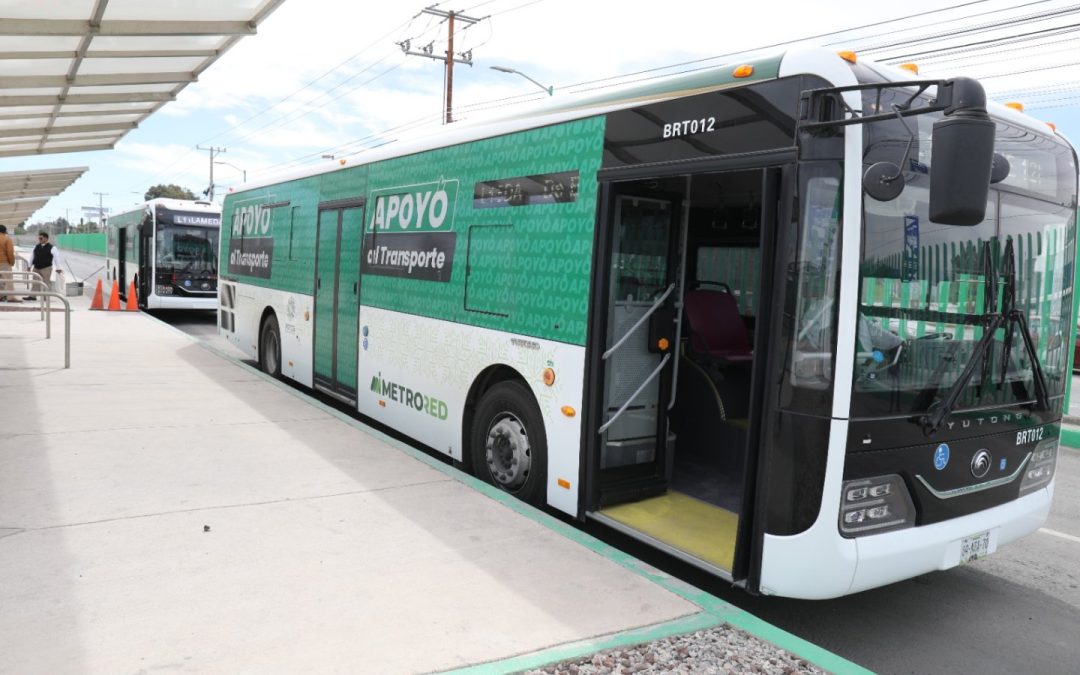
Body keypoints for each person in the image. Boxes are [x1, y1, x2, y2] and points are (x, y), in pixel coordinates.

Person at [26, 231, 63, 299]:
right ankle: (32, 296)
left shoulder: (52, 248)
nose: (39, 240)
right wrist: (29, 266)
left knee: (46, 282)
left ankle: (46, 297)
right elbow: (32, 256)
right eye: (39, 238)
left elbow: (57, 258)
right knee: (35, 282)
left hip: (46, 268)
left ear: (46, 238)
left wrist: (58, 268)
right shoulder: (36, 246)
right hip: (36, 267)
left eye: (41, 238)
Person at [0, 224, 17, 302]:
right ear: (5, 231)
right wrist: (12, 262)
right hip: (4, 262)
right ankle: (11, 297)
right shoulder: (7, 239)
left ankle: (1, 296)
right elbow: (10, 252)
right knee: (8, 280)